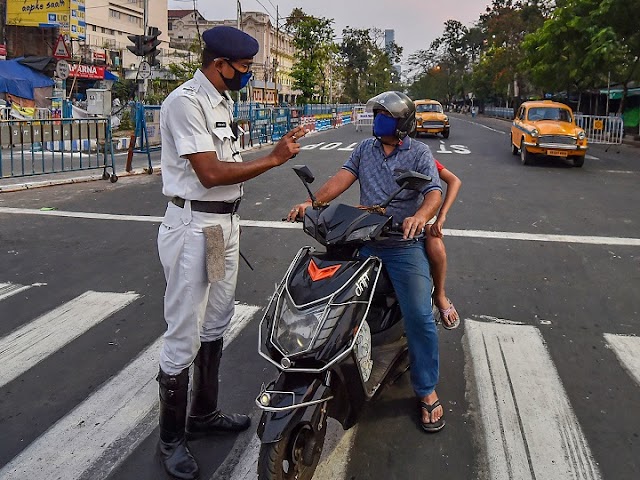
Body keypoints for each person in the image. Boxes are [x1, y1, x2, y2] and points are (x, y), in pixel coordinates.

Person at [156, 25, 307, 480]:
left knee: (217, 318)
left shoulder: (221, 101)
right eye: (241, 69)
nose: (245, 76)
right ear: (218, 64)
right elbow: (208, 173)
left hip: (221, 230)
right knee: (184, 330)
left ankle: (203, 413)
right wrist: (275, 159)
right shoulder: (186, 102)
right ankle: (170, 439)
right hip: (193, 227)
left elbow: (230, 161)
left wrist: (276, 146)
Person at [288, 91, 447, 433]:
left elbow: (434, 192)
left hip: (401, 245)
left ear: (401, 122)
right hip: (362, 238)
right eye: (376, 115)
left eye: (384, 116)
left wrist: (419, 216)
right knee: (331, 298)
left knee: (420, 315)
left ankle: (426, 389)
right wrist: (311, 203)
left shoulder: (419, 153)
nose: (377, 121)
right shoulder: (364, 150)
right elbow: (340, 181)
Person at [427, 159, 462, 329]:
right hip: (383, 213)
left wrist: (441, 216)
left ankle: (440, 294)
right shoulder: (371, 151)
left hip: (422, 214)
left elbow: (454, 180)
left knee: (436, 246)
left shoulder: (419, 154)